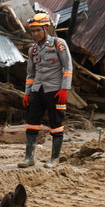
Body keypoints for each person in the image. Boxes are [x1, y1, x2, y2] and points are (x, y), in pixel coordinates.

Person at [19, 12, 73, 168]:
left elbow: (67, 66)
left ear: (46, 29)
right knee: (32, 123)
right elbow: (31, 73)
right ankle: (29, 158)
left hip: (55, 90)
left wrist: (65, 89)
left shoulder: (58, 43)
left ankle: (54, 159)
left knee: (56, 123)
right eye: (33, 31)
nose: (35, 34)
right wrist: (27, 93)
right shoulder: (32, 50)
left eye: (38, 30)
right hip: (37, 90)